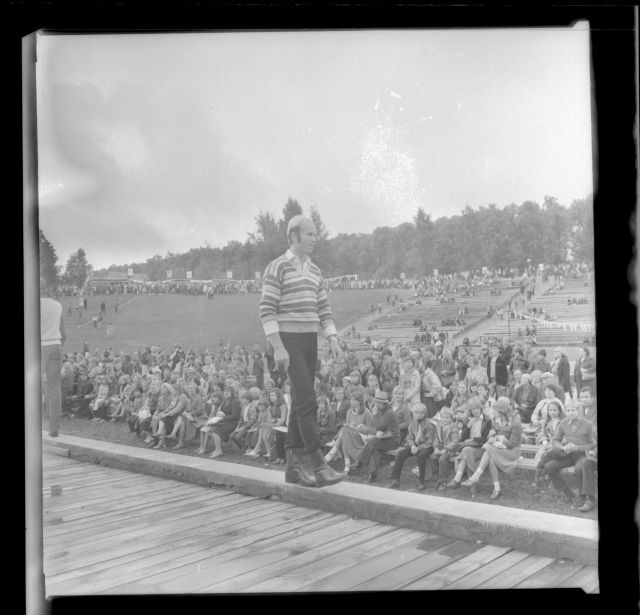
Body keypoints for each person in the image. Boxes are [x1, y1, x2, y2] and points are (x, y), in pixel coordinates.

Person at [536, 402, 597, 512]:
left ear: (579, 411)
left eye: (573, 410)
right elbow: (555, 439)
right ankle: (568, 493)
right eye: (568, 411)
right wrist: (562, 448)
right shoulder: (563, 423)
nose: (570, 413)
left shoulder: (588, 424)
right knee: (549, 466)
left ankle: (582, 496)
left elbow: (592, 444)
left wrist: (577, 447)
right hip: (567, 454)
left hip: (582, 455)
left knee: (579, 468)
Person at [460, 397, 522, 500]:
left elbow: (511, 444)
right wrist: (490, 435)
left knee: (488, 448)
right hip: (498, 449)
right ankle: (496, 489)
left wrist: (499, 438)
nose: (492, 412)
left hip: (512, 452)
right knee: (490, 459)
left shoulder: (515, 424)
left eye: (495, 410)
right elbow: (490, 438)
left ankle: (476, 476)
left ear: (502, 411)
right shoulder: (496, 421)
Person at [354, 390, 400, 483]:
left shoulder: (388, 413)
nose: (374, 404)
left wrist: (374, 414)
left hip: (393, 440)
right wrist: (378, 431)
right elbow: (374, 427)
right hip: (383, 438)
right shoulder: (380, 411)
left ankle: (360, 462)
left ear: (381, 403)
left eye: (376, 402)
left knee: (372, 442)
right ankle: (372, 476)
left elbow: (378, 426)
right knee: (374, 448)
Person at [388, 403, 435, 491]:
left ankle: (421, 481)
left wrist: (418, 448)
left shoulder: (429, 425)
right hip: (416, 445)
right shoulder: (414, 423)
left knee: (421, 455)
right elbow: (410, 437)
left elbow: (430, 442)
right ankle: (395, 480)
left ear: (423, 414)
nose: (414, 415)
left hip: (427, 447)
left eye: (417, 413)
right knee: (401, 453)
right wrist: (412, 445)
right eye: (414, 413)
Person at [40, 278, 66, 437]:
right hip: (55, 345)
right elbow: (63, 333)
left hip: (38, 346)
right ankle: (54, 429)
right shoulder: (57, 305)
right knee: (54, 388)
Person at [430, 408, 461, 490]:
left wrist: (446, 449)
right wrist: (436, 447)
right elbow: (436, 438)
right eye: (443, 417)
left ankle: (443, 481)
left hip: (451, 450)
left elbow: (455, 441)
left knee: (442, 459)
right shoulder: (439, 426)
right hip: (440, 448)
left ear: (451, 418)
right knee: (433, 457)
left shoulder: (453, 427)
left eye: (447, 417)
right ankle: (436, 478)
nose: (445, 419)